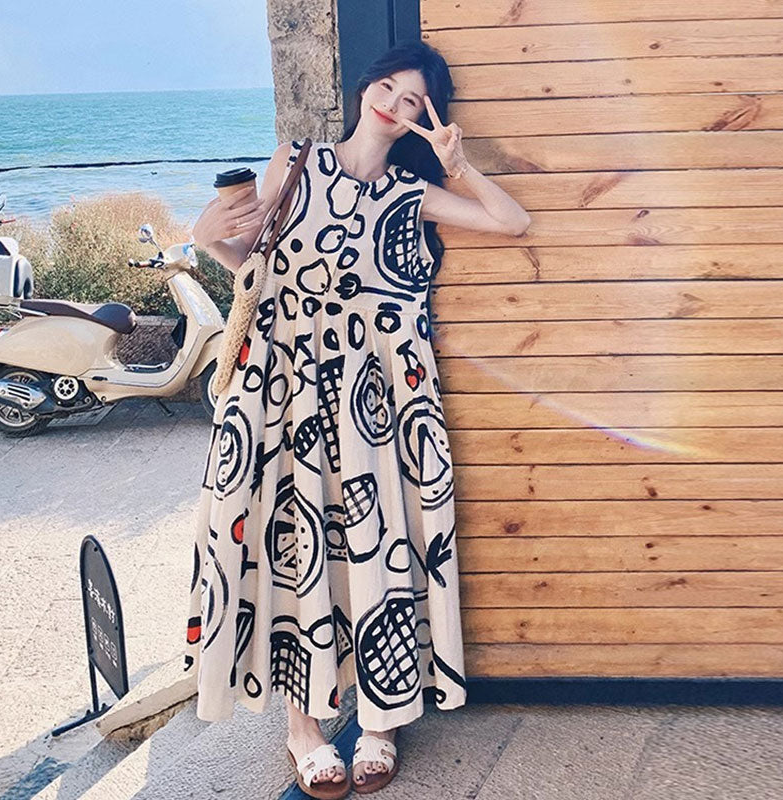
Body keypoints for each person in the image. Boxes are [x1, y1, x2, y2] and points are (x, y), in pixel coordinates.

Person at [187, 40, 530, 797]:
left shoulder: (410, 192)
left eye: (413, 101)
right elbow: (257, 265)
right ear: (365, 87)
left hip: (376, 400)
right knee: (291, 542)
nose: (394, 105)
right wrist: (210, 237)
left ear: (422, 118)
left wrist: (458, 163)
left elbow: (511, 221)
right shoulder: (297, 162)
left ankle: (380, 718)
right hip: (281, 385)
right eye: (388, 87)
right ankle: (303, 727)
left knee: (379, 545)